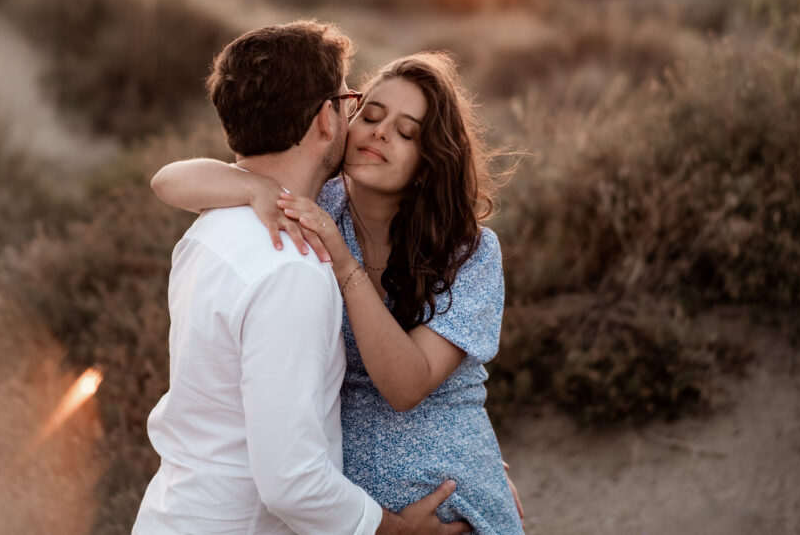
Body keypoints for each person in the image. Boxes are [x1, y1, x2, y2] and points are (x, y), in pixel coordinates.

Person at [151, 52, 525, 534]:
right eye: (369, 115)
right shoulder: (316, 200)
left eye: (406, 132)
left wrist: (345, 266)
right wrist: (254, 189)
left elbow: (406, 386)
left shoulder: (468, 251)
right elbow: (168, 180)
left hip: (447, 506)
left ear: (429, 160)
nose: (380, 132)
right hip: (354, 510)